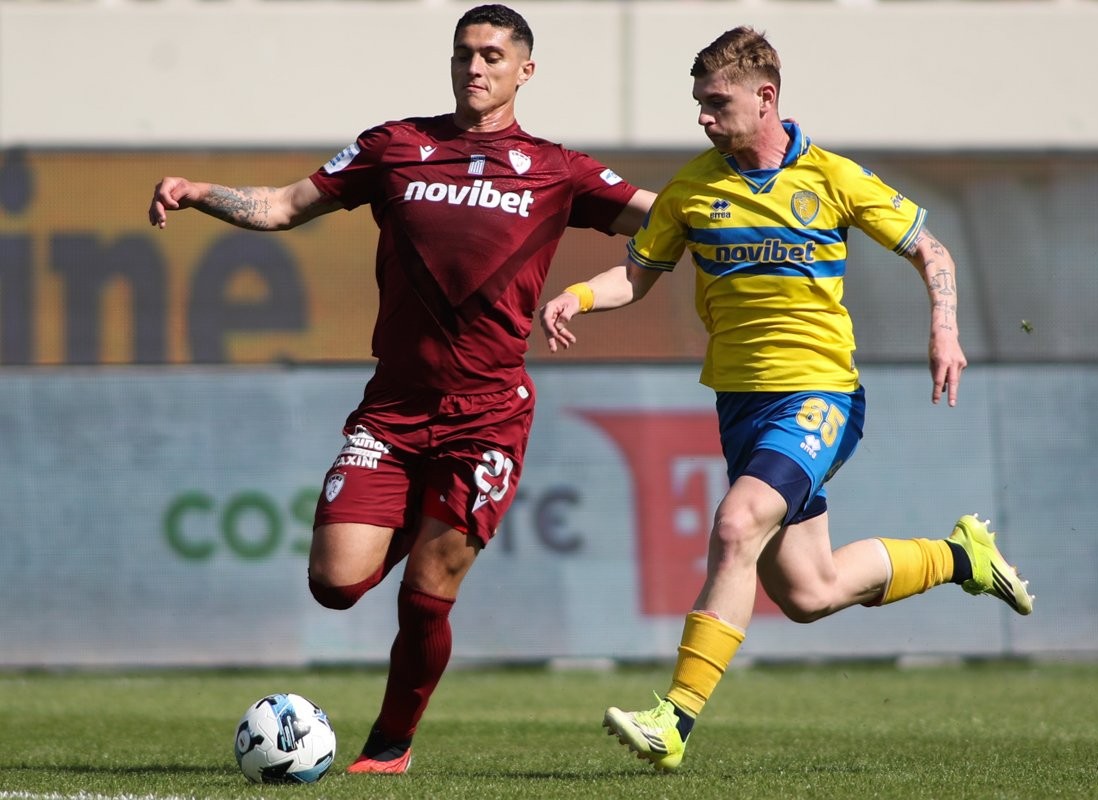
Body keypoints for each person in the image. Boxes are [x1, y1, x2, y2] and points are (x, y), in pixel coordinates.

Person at [148, 4, 655, 775]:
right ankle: (422, 524)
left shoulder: (558, 169)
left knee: (428, 585)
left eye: (492, 55)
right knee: (334, 584)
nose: (474, 67)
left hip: (488, 415)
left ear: (526, 70)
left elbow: (666, 221)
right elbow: (283, 206)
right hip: (393, 410)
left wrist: (740, 216)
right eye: (463, 53)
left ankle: (390, 744)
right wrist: (197, 191)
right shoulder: (394, 147)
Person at [539, 26, 1034, 773]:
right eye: (699, 103)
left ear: (765, 97)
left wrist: (945, 328)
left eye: (717, 103)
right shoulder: (692, 188)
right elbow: (638, 274)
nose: (704, 117)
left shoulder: (832, 176)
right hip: (740, 405)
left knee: (736, 524)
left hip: (819, 393)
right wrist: (577, 295)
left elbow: (931, 250)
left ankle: (674, 718)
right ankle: (959, 557)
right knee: (810, 591)